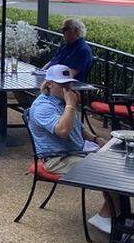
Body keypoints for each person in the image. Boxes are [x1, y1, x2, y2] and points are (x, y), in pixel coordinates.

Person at [27, 65, 113, 229]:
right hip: (58, 159)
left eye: (69, 85)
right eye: (63, 85)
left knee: (117, 162)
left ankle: (117, 214)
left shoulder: (61, 101)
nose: (68, 89)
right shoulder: (43, 107)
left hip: (78, 151)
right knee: (107, 172)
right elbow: (63, 131)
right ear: (50, 84)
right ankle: (106, 216)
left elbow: (77, 126)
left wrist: (95, 139)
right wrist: (71, 105)